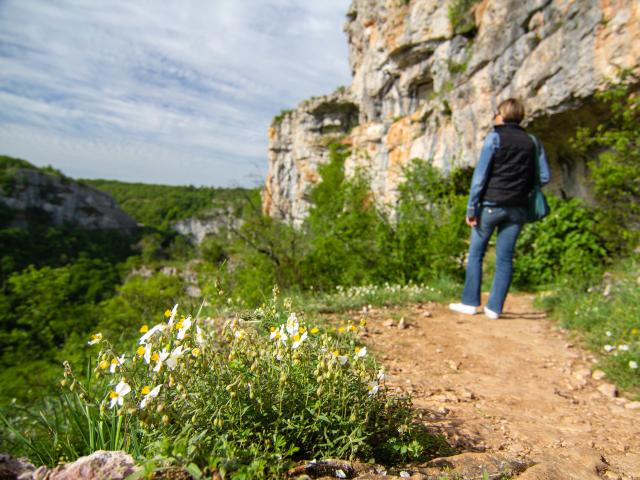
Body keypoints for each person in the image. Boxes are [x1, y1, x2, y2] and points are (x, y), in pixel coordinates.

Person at [449, 98, 551, 319]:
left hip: (490, 206)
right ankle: (494, 308)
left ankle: (470, 303)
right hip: (518, 208)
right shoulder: (532, 141)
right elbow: (544, 176)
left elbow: (480, 177)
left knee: (476, 253)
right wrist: (522, 187)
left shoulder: (495, 138)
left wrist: (471, 209)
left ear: (502, 115)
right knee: (505, 258)